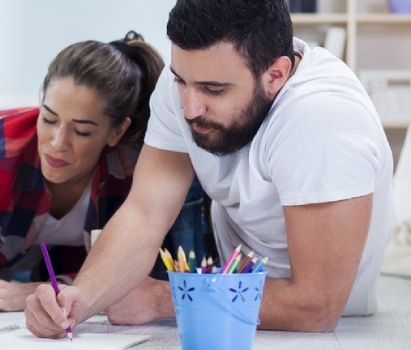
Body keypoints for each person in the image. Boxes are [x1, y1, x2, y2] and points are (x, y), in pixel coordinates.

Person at [25, 0, 393, 336]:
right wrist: (79, 300)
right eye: (182, 81)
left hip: (325, 329)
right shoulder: (184, 87)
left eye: (214, 89)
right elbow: (145, 211)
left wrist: (165, 299)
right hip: (219, 301)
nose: (189, 108)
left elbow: (315, 305)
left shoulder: (322, 117)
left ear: (276, 75)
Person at [0, 31, 207, 315]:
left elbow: (113, 277)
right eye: (49, 119)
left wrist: (29, 293)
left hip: (44, 273)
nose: (57, 144)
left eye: (81, 131)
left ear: (116, 133)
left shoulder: (131, 173)